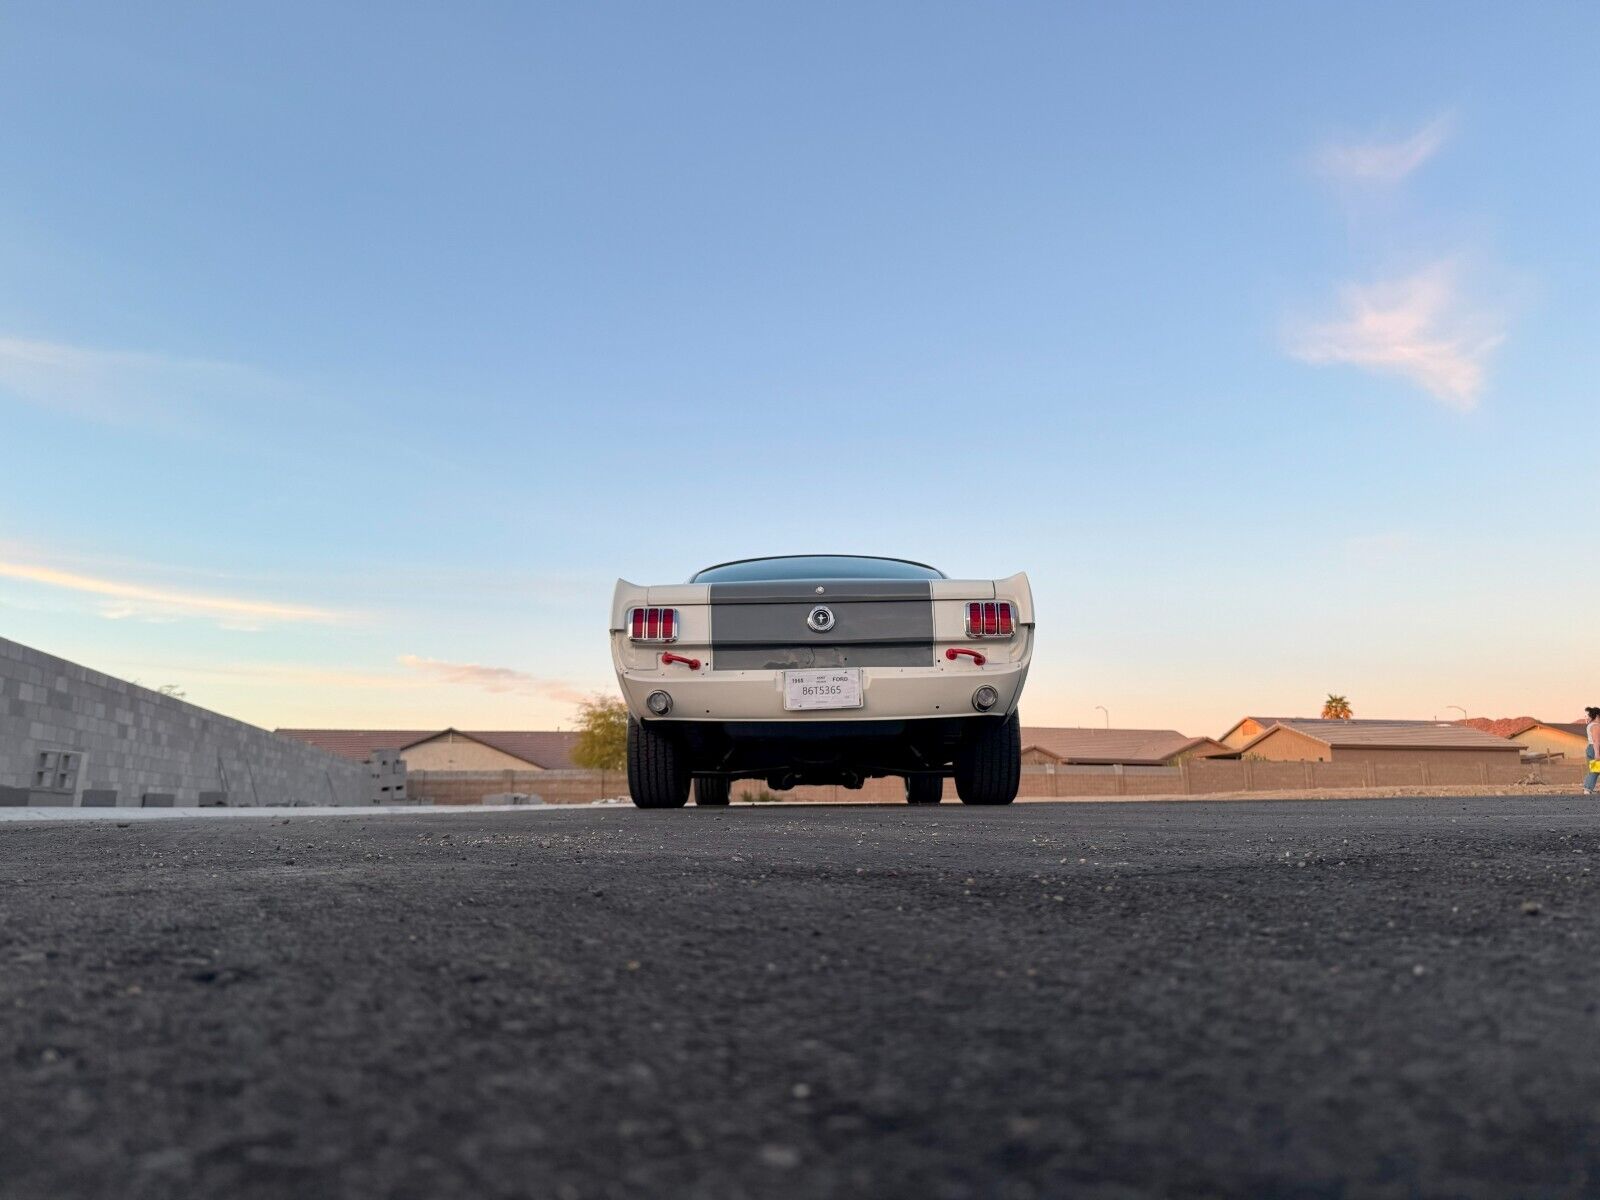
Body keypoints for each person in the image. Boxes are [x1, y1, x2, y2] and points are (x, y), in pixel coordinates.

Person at [1584, 707, 1600, 797]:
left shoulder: (1591, 725)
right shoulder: (1596, 726)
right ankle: (1587, 788)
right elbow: (1596, 740)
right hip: (1595, 748)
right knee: (1595, 770)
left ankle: (1588, 788)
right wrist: (1597, 753)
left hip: (1592, 748)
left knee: (1595, 769)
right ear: (1597, 715)